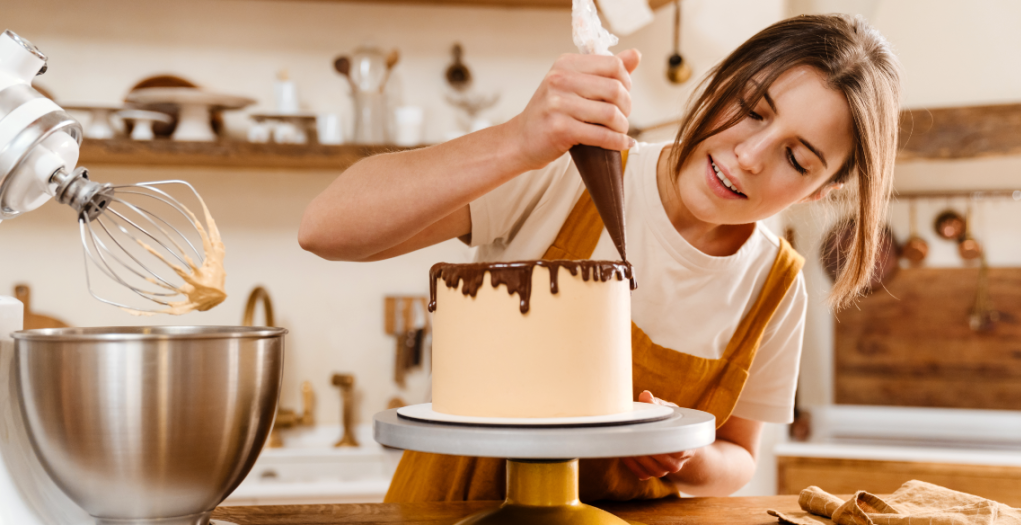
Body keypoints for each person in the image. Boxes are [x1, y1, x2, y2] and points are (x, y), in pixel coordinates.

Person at [299, 13, 902, 500]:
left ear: (823, 190)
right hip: (451, 509)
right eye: (752, 108)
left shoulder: (773, 283)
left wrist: (683, 457)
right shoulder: (563, 170)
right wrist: (517, 140)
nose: (750, 155)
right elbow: (326, 229)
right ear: (722, 81)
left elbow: (740, 457)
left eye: (798, 159)